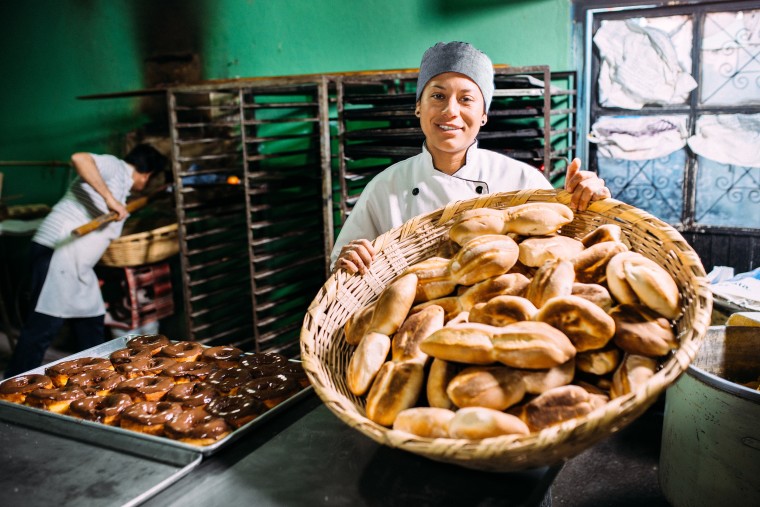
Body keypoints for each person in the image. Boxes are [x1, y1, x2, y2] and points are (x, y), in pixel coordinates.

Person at [331, 41, 611, 275]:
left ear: (484, 114)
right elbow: (340, 273)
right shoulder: (385, 188)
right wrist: (347, 260)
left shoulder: (523, 180)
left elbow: (568, 252)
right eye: (438, 95)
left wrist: (587, 204)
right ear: (418, 106)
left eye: (466, 99)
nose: (450, 111)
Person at [3, 144, 168, 378]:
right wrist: (110, 199)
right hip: (57, 252)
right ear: (147, 174)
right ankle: (13, 385)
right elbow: (79, 158)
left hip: (79, 265)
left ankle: (96, 378)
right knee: (43, 327)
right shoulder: (116, 167)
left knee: (91, 321)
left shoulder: (123, 188)